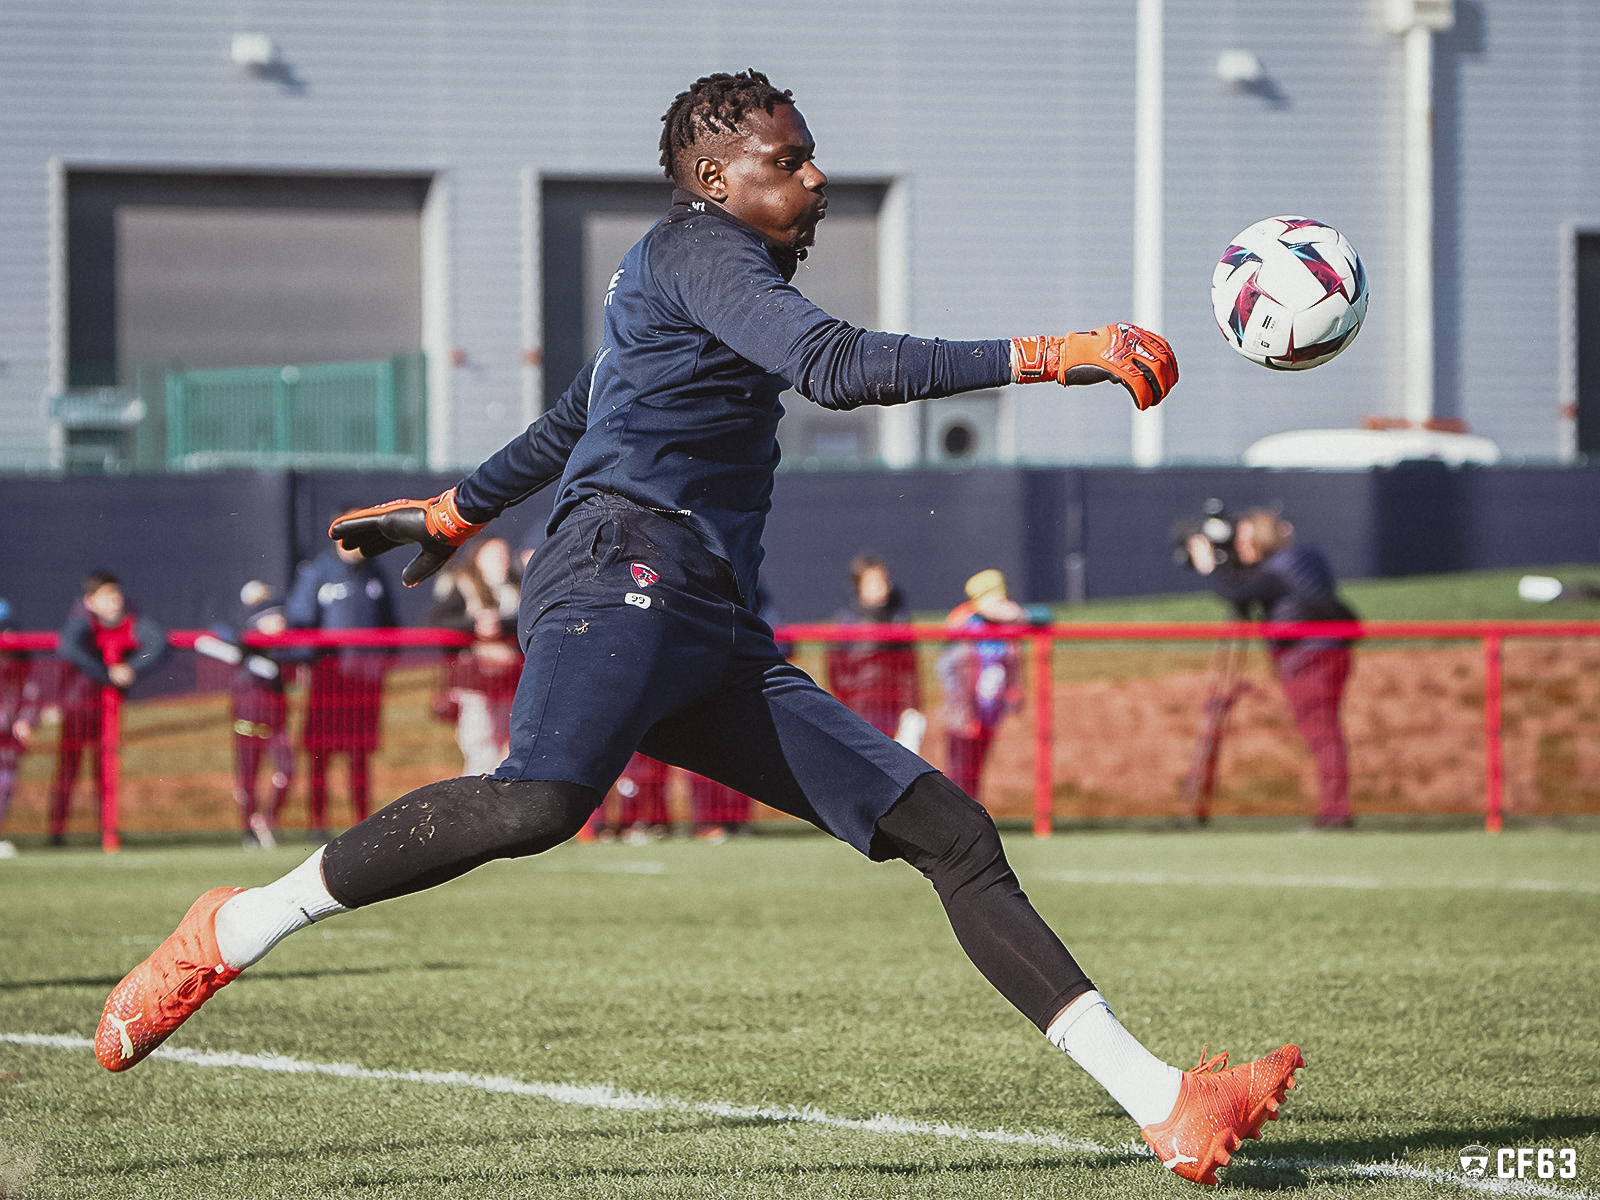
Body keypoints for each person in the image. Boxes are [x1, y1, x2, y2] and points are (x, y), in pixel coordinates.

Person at [98, 71, 1299, 1187]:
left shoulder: (673, 272)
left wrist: (457, 508)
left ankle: (1164, 1105)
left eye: (814, 158)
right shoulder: (699, 248)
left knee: (949, 831)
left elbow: (582, 407)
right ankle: (233, 926)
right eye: (791, 160)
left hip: (706, 615)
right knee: (535, 804)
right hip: (621, 564)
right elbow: (829, 368)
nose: (816, 179)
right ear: (717, 180)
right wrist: (1053, 355)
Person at [1186, 508, 1358, 829]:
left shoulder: (1277, 572)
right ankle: (1335, 809)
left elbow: (1235, 591)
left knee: (1322, 734)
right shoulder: (1303, 560)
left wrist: (1209, 566)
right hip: (1329, 652)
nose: (1238, 547)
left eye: (1243, 540)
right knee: (1326, 733)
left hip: (1308, 659)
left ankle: (1335, 812)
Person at [286, 529, 397, 840]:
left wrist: (382, 663)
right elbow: (300, 619)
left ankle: (361, 822)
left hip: (364, 682)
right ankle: (316, 822)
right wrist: (306, 661)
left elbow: (391, 624)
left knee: (359, 754)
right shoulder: (319, 572)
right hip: (328, 680)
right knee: (320, 754)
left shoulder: (375, 573)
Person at [50, 571, 165, 845]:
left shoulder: (132, 622)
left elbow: (157, 643)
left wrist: (130, 668)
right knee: (69, 769)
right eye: (106, 596)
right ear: (90, 601)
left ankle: (108, 832)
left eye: (116, 595)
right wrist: (107, 673)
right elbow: (69, 647)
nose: (115, 601)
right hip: (79, 707)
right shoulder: (82, 625)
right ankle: (57, 831)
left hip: (109, 710)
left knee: (107, 768)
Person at [428, 536, 523, 776]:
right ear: (478, 558)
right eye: (493, 555)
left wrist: (500, 624)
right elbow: (440, 620)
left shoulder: (515, 588)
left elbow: (527, 620)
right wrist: (476, 625)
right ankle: (476, 803)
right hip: (475, 680)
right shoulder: (462, 584)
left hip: (510, 680)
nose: (501, 561)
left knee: (508, 744)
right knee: (479, 743)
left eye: (503, 555)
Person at [219, 582, 299, 849]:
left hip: (276, 722)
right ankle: (249, 831)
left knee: (286, 770)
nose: (279, 622)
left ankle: (268, 819)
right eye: (271, 617)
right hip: (247, 720)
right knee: (247, 778)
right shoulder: (242, 643)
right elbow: (219, 634)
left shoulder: (286, 649)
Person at [937, 569, 1026, 800]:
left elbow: (1021, 618)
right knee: (959, 769)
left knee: (976, 768)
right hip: (964, 713)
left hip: (989, 711)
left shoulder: (1004, 628)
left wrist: (1015, 692)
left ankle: (972, 812)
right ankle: (955, 815)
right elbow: (954, 674)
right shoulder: (966, 624)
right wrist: (965, 713)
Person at [825, 555, 923, 749]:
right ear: (858, 585)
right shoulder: (847, 621)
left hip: (892, 706)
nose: (882, 586)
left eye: (884, 580)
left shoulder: (898, 619)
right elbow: (836, 667)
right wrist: (848, 698)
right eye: (873, 582)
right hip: (858, 707)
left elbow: (908, 668)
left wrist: (911, 705)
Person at [0, 599, 41, 858]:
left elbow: (30, 698)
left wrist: (26, 719)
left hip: (7, 742)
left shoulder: (21, 668)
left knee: (4, 785)